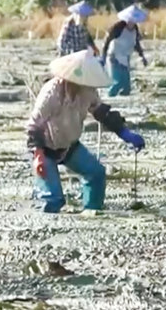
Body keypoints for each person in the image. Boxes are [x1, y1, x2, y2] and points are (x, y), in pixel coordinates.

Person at [26, 50, 146, 213]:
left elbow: (102, 113)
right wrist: (38, 156)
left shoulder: (88, 92)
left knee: (96, 174)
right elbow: (35, 125)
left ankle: (92, 211)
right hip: (45, 148)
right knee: (53, 200)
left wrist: (124, 133)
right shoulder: (52, 92)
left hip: (69, 145)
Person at [101, 4, 149, 96]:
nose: (131, 22)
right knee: (117, 83)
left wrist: (142, 57)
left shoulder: (135, 29)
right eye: (130, 20)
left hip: (125, 58)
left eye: (134, 21)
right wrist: (103, 56)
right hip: (114, 58)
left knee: (127, 88)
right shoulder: (118, 28)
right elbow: (107, 41)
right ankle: (109, 100)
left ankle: (124, 106)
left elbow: (136, 44)